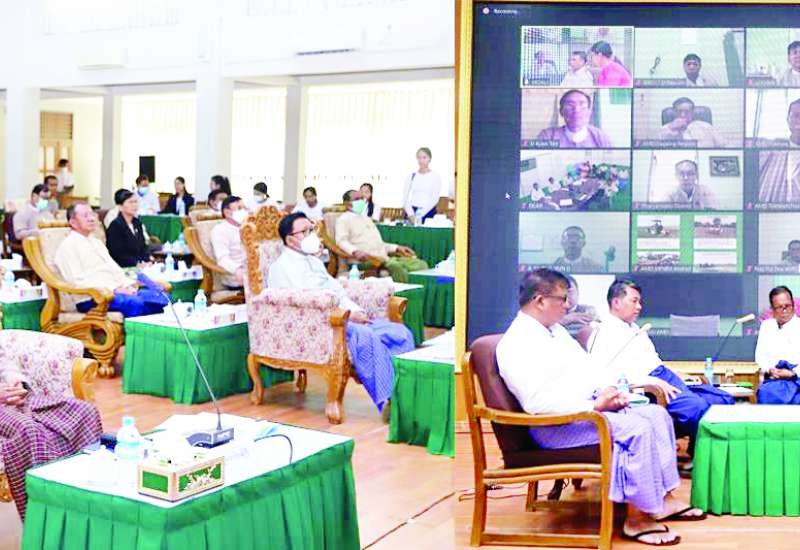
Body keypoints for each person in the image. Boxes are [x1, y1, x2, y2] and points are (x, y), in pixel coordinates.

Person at [496, 269, 704, 546]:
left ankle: (662, 499)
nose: (568, 305)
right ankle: (637, 518)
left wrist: (611, 390)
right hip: (556, 426)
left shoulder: (555, 332)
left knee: (656, 415)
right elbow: (537, 404)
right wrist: (595, 405)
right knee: (637, 429)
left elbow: (589, 368)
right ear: (540, 300)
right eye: (562, 299)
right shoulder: (516, 343)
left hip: (584, 412)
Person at [269, 212, 415, 412]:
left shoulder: (313, 261)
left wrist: (356, 311)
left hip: (346, 316)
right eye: (305, 231)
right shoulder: (281, 267)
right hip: (320, 324)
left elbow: (337, 291)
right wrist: (347, 315)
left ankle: (405, 393)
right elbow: (306, 302)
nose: (311, 235)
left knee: (400, 333)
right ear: (290, 239)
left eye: (311, 229)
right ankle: (389, 400)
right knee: (365, 337)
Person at [589, 279, 732, 461]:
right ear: (616, 302)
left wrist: (676, 373)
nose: (639, 307)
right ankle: (703, 460)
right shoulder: (603, 333)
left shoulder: (634, 328)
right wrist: (653, 381)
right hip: (649, 386)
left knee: (721, 399)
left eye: (640, 302)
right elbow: (609, 377)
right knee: (698, 408)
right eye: (634, 301)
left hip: (664, 376)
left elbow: (653, 361)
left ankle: (695, 453)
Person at [0, 356, 102, 519]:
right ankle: (44, 516)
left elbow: (4, 362)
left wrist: (17, 383)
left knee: (85, 411)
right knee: (29, 431)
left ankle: (89, 500)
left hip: (15, 398)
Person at [54, 203, 167, 317]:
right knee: (135, 303)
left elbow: (114, 269)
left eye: (92, 214)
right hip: (93, 298)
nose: (91, 218)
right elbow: (77, 281)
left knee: (162, 298)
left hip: (116, 292)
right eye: (85, 215)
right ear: (73, 222)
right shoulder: (68, 247)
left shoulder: (96, 242)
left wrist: (127, 286)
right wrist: (115, 289)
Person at [336, 189, 427, 283]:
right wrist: (355, 251)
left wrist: (397, 248)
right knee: (397, 267)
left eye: (361, 198)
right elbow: (341, 241)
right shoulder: (344, 219)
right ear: (347, 204)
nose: (361, 201)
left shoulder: (366, 218)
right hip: (365, 260)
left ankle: (422, 291)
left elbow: (379, 244)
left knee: (420, 264)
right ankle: (404, 291)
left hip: (383, 258)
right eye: (357, 199)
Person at [756, 286, 800, 404]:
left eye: (787, 306)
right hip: (773, 380)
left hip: (796, 379)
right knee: (765, 393)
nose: (784, 310)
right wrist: (770, 369)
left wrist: (792, 373)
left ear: (793, 305)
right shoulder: (766, 326)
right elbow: (760, 357)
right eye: (780, 307)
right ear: (773, 309)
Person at [536, 90, 614, 148]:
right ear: (561, 111)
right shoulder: (547, 136)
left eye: (582, 105)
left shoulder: (601, 137)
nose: (576, 110)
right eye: (570, 105)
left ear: (589, 112)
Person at [105, 189, 153, 268]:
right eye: (130, 202)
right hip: (123, 267)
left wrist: (147, 260)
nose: (134, 205)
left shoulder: (137, 223)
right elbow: (117, 254)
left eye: (135, 202)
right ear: (120, 207)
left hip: (141, 266)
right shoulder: (115, 226)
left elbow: (143, 247)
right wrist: (136, 264)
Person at [210, 195, 248, 290]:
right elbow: (222, 259)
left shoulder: (247, 227)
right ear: (227, 212)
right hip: (236, 277)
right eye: (239, 208)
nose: (244, 211)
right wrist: (238, 269)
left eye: (244, 208)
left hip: (254, 273)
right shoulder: (220, 230)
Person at [659, 97, 726, 147]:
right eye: (679, 111)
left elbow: (723, 145)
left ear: (692, 112)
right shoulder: (664, 129)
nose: (683, 115)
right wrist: (671, 129)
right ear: (674, 112)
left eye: (687, 112)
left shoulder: (706, 127)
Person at [402, 147, 442, 224]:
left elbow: (434, 199)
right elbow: (405, 198)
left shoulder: (435, 177)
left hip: (428, 212)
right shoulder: (411, 176)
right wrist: (411, 215)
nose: (421, 160)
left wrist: (420, 214)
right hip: (411, 212)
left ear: (429, 159)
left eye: (424, 157)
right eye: (419, 158)